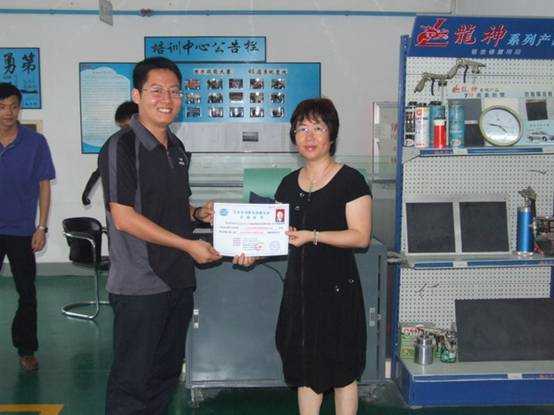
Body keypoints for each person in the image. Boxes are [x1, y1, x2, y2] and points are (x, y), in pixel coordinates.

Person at [99, 57, 249, 415]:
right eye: (156, 90)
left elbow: (173, 206)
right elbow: (124, 217)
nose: (166, 99)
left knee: (164, 377)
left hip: (177, 279)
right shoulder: (121, 146)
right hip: (140, 284)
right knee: (132, 382)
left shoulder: (177, 148)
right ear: (137, 95)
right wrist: (187, 245)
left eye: (174, 91)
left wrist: (197, 214)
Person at [274, 98, 372, 415]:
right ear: (293, 136)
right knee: (305, 369)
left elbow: (360, 236)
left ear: (332, 134)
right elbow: (276, 236)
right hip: (299, 294)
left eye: (318, 128)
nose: (309, 136)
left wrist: (313, 236)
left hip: (338, 292)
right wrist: (251, 251)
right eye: (302, 129)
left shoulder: (350, 180)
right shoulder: (287, 185)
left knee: (343, 372)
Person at [0, 83, 56, 372]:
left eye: (13, 106)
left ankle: (26, 349)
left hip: (22, 230)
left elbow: (44, 185)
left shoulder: (35, 142)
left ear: (20, 109)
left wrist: (41, 227)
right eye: (1, 107)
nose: (8, 112)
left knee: (27, 294)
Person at [81, 100, 138, 206]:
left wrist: (86, 194)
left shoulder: (112, 142)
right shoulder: (117, 143)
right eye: (123, 128)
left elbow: (97, 172)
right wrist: (86, 194)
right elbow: (99, 170)